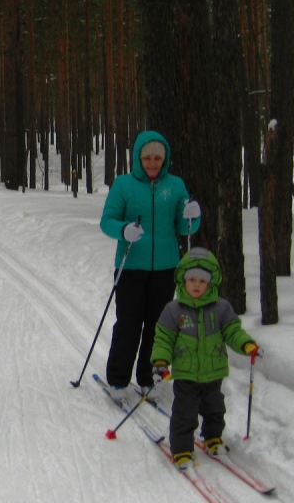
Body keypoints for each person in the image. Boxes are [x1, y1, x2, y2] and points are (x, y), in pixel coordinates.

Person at [100, 130, 201, 407]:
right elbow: (106, 221)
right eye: (147, 158)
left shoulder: (176, 186)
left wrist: (194, 215)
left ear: (164, 158)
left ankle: (147, 379)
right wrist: (124, 229)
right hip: (131, 266)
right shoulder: (124, 185)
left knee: (157, 328)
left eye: (158, 157)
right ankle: (119, 380)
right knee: (129, 325)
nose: (153, 163)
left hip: (166, 268)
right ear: (138, 158)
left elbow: (185, 227)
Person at [149, 247, 259, 469]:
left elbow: (232, 331)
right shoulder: (173, 310)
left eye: (202, 281)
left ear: (211, 283)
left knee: (215, 408)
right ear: (183, 281)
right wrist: (160, 362)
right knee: (185, 414)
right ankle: (181, 450)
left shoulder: (221, 308)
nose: (197, 285)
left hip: (214, 372)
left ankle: (212, 438)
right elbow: (163, 340)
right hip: (186, 374)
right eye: (192, 280)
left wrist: (246, 344)